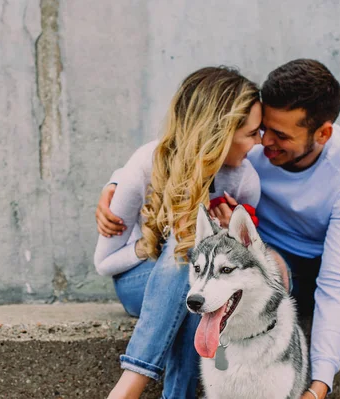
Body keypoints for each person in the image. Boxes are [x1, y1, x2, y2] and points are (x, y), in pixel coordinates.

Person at [97, 59, 340, 399]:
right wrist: (118, 183)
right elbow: (185, 150)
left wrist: (320, 383)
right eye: (262, 129)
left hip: (333, 258)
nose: (264, 142)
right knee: (251, 269)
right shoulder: (246, 146)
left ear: (323, 133)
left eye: (280, 135)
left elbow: (337, 282)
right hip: (266, 258)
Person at [94, 66, 264, 399]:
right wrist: (150, 245)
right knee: (190, 249)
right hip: (137, 283)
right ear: (220, 132)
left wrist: (227, 236)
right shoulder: (146, 164)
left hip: (199, 289)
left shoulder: (245, 181)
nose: (258, 144)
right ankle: (132, 383)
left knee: (200, 280)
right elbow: (105, 262)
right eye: (251, 133)